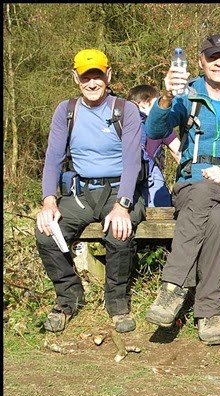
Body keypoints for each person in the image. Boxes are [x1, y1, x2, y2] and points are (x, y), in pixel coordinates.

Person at [144, 34, 220, 345]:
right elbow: (154, 131)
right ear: (201, 61)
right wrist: (165, 97)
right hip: (190, 185)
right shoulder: (185, 96)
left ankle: (172, 287)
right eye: (212, 57)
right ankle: (210, 313)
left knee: (206, 195)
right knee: (214, 218)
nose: (219, 62)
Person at [35, 48, 145, 333]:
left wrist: (122, 206)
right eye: (86, 77)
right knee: (46, 233)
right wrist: (49, 202)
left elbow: (133, 161)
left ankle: (117, 304)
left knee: (119, 233)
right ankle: (68, 298)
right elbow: (53, 159)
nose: (92, 83)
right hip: (81, 193)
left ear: (108, 75)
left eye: (97, 75)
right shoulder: (66, 111)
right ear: (76, 78)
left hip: (120, 190)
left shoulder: (125, 110)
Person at [127, 84, 181, 207]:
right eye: (156, 103)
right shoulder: (159, 125)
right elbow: (178, 153)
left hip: (124, 179)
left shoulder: (120, 122)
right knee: (161, 211)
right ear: (145, 103)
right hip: (151, 180)